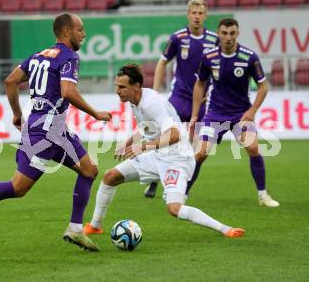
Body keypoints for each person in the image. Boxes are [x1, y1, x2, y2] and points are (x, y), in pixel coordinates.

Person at [0, 13, 112, 251]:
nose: (84, 34)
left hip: (54, 130)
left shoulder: (38, 56)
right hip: (43, 134)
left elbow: (10, 81)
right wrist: (95, 113)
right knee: (18, 187)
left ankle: (75, 229)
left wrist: (16, 114)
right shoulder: (69, 57)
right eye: (80, 29)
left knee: (89, 169)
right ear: (66, 31)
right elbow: (68, 92)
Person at [83, 64, 245, 239]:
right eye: (116, 86)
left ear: (136, 86)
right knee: (110, 176)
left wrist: (143, 146)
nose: (117, 91)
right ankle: (95, 226)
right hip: (158, 155)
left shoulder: (151, 104)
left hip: (177, 159)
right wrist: (129, 141)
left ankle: (225, 229)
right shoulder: (135, 101)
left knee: (174, 208)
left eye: (122, 87)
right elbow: (149, 128)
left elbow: (174, 135)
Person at [189, 18, 280, 207]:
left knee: (253, 148)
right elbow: (200, 84)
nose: (228, 37)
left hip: (240, 114)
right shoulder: (209, 57)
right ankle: (183, 193)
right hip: (215, 113)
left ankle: (263, 195)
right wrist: (195, 115)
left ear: (237, 34)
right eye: (224, 33)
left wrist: (252, 110)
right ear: (219, 33)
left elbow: (263, 86)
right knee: (200, 154)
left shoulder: (249, 57)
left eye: (232, 33)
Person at [144, 0, 218, 198]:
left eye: (200, 13)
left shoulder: (214, 39)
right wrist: (155, 91)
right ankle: (152, 179)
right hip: (177, 99)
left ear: (205, 15)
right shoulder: (178, 38)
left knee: (198, 152)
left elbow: (219, 70)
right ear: (188, 14)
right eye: (193, 12)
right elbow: (162, 63)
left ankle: (182, 190)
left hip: (200, 103)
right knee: (165, 140)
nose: (196, 16)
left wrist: (211, 93)